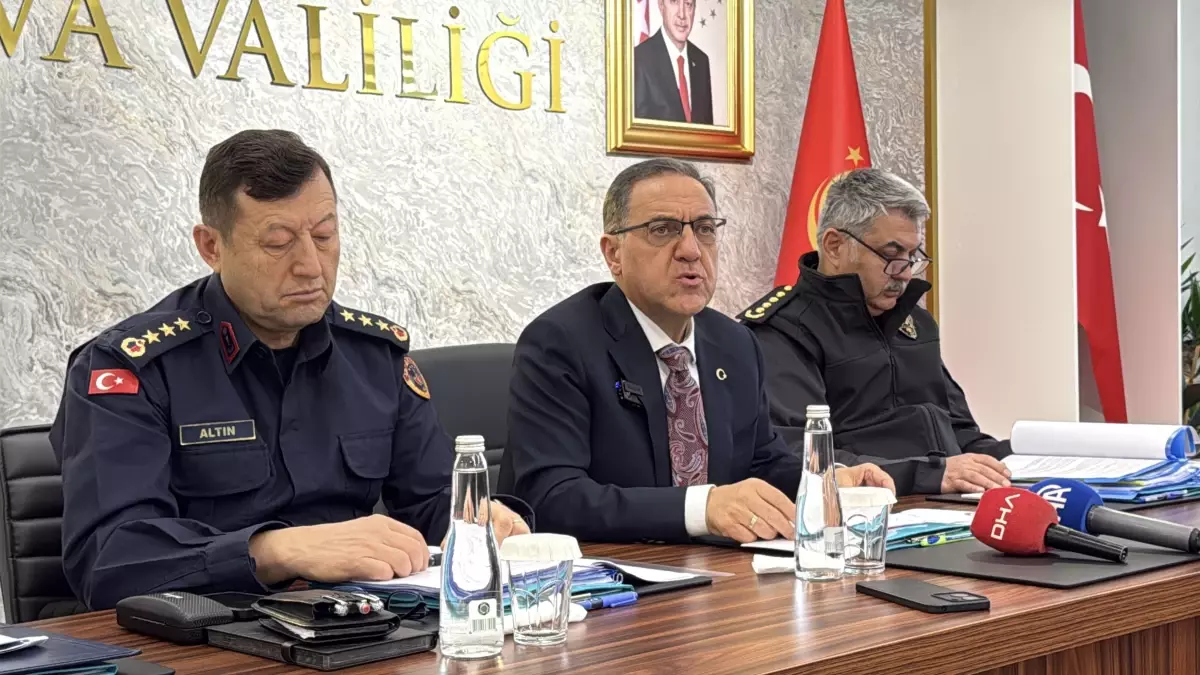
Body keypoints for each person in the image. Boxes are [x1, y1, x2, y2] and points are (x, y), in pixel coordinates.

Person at [49, 130, 528, 610]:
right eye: (278, 243)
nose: (311, 267)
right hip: (211, 631)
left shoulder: (374, 357)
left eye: (324, 236)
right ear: (211, 246)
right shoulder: (134, 368)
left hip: (359, 624)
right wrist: (276, 551)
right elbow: (110, 560)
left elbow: (432, 499)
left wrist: (479, 518)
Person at [498, 158, 893, 545]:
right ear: (613, 253)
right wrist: (702, 508)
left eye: (705, 229)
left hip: (721, 571)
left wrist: (824, 480)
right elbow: (551, 498)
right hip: (614, 575)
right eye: (662, 230)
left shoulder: (735, 343)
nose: (690, 250)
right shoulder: (560, 342)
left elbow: (762, 462)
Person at [740, 167, 1013, 496]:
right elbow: (800, 454)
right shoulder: (784, 330)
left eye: (912, 256)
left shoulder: (915, 323)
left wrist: (1016, 460)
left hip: (947, 501)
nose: (905, 274)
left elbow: (960, 432)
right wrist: (925, 474)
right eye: (891, 255)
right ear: (835, 247)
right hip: (867, 510)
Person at [634, 0, 714, 124]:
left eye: (688, 4)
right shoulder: (639, 59)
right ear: (661, 6)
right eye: (674, 2)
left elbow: (708, 131)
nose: (682, 14)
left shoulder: (701, 61)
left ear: (694, 9)